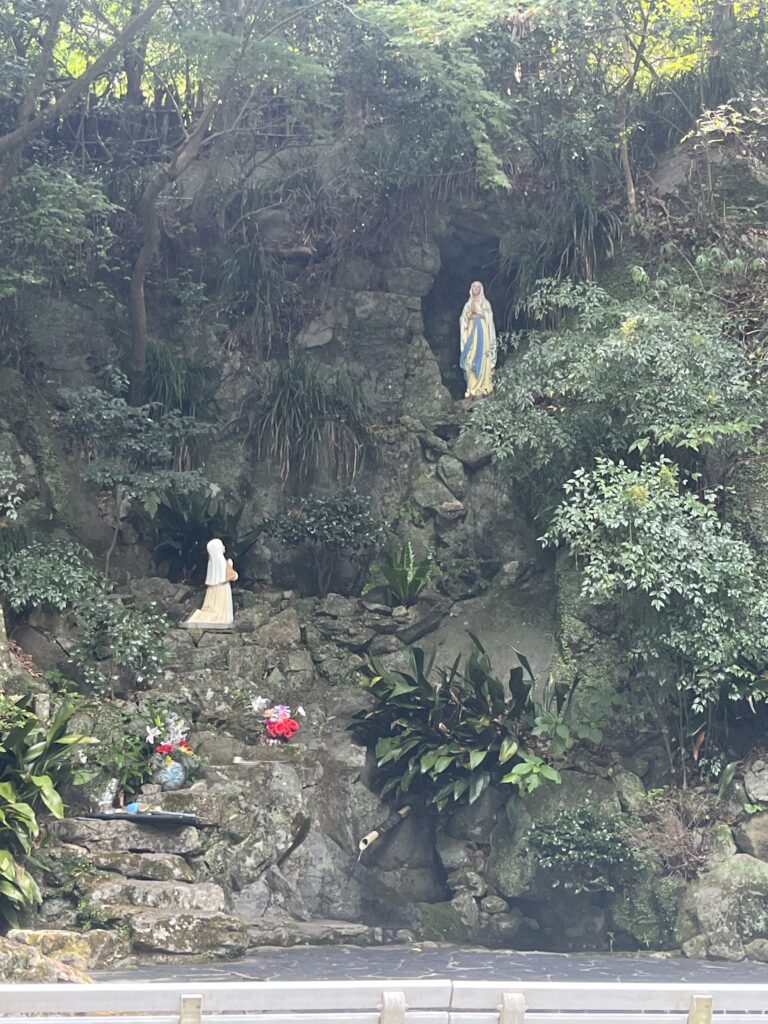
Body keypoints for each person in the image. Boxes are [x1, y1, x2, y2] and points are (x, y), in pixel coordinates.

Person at [180, 538, 237, 629]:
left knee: (212, 608)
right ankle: (196, 616)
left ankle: (196, 615)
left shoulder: (212, 563)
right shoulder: (222, 561)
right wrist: (230, 565)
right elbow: (232, 576)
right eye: (222, 545)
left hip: (213, 589)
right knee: (219, 612)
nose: (224, 546)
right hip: (222, 589)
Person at [459, 281, 497, 398]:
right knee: (470, 358)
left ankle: (484, 386)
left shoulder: (485, 304)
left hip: (482, 333)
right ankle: (472, 387)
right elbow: (463, 319)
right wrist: (469, 315)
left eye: (478, 287)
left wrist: (480, 312)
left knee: (484, 357)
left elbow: (489, 320)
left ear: (481, 289)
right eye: (474, 286)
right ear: (471, 289)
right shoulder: (467, 305)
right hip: (471, 332)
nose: (476, 288)